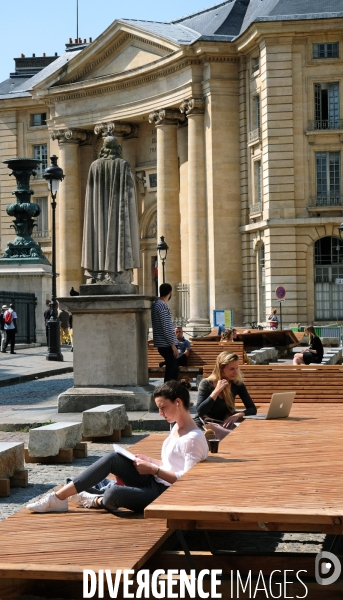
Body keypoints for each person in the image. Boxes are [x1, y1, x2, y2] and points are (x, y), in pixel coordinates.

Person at [26, 380, 208, 514]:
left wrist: (153, 470)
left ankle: (95, 499)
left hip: (165, 493)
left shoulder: (193, 439)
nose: (160, 413)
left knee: (113, 493)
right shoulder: (176, 425)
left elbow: (186, 481)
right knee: (114, 459)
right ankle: (57, 498)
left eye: (163, 407)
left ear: (178, 403)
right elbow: (171, 464)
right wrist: (149, 461)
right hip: (155, 480)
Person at [81, 134, 140, 285]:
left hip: (98, 215)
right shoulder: (123, 165)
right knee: (118, 232)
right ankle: (117, 272)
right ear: (118, 149)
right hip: (118, 215)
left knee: (98, 232)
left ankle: (97, 273)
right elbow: (130, 195)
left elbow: (90, 195)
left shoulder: (94, 166)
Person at [194, 351, 257, 429]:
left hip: (222, 425)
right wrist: (216, 391)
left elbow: (252, 409)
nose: (236, 372)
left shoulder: (237, 384)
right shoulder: (207, 384)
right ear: (221, 368)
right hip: (203, 424)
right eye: (232, 369)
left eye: (237, 368)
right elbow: (200, 412)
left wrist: (238, 415)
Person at [151, 283, 179, 382]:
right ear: (170, 293)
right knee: (172, 372)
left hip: (161, 343)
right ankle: (168, 393)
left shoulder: (156, 305)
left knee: (173, 370)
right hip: (167, 344)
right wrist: (173, 344)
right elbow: (166, 326)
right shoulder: (162, 306)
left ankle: (170, 392)